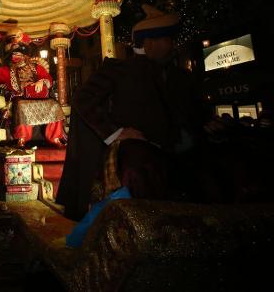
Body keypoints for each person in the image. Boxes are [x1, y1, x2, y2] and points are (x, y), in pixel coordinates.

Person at [56, 15, 203, 221]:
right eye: (167, 40)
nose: (172, 46)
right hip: (137, 162)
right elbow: (83, 99)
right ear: (150, 43)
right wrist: (115, 133)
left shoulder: (176, 74)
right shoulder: (119, 69)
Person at [0, 29, 66, 148]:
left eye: (17, 54)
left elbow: (48, 78)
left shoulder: (36, 67)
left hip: (40, 97)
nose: (14, 57)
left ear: (25, 56)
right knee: (22, 106)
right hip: (20, 97)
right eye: (13, 54)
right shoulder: (8, 71)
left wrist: (42, 81)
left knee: (54, 105)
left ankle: (55, 138)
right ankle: (22, 138)